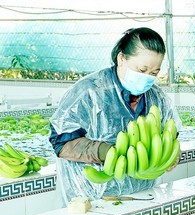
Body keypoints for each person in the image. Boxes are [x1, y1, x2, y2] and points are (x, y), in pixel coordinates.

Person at [49, 27, 181, 204]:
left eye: (154, 73)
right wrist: (106, 152)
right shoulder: (89, 91)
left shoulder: (157, 97)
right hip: (90, 199)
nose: (147, 78)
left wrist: (171, 155)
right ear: (121, 59)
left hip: (141, 197)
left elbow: (170, 135)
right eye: (141, 70)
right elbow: (62, 143)